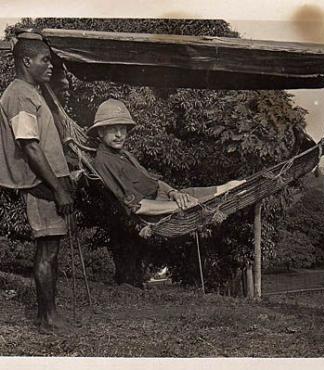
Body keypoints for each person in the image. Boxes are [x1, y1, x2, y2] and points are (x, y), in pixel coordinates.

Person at [0, 36, 74, 332]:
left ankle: (50, 315)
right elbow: (29, 146)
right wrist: (57, 188)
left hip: (49, 180)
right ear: (26, 61)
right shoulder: (20, 95)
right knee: (47, 250)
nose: (49, 66)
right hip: (41, 183)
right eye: (45, 60)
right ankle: (47, 319)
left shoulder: (32, 91)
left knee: (51, 248)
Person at [88, 98, 245, 217]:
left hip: (168, 198)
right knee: (221, 196)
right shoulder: (104, 161)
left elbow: (154, 182)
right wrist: (179, 206)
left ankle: (236, 188)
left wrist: (174, 193)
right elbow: (139, 206)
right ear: (101, 132)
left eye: (122, 129)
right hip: (160, 208)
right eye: (113, 130)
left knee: (229, 187)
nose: (119, 135)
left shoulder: (123, 154)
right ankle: (233, 192)